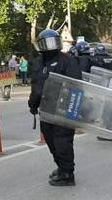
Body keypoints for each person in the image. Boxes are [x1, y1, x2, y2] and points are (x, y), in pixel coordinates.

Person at [28, 29, 81, 186]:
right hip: (46, 111)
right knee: (51, 141)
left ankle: (67, 174)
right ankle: (61, 167)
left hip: (63, 110)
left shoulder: (68, 60)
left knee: (62, 142)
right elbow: (36, 86)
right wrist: (33, 104)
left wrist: (72, 108)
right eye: (47, 43)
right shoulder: (38, 62)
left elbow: (76, 85)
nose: (50, 46)